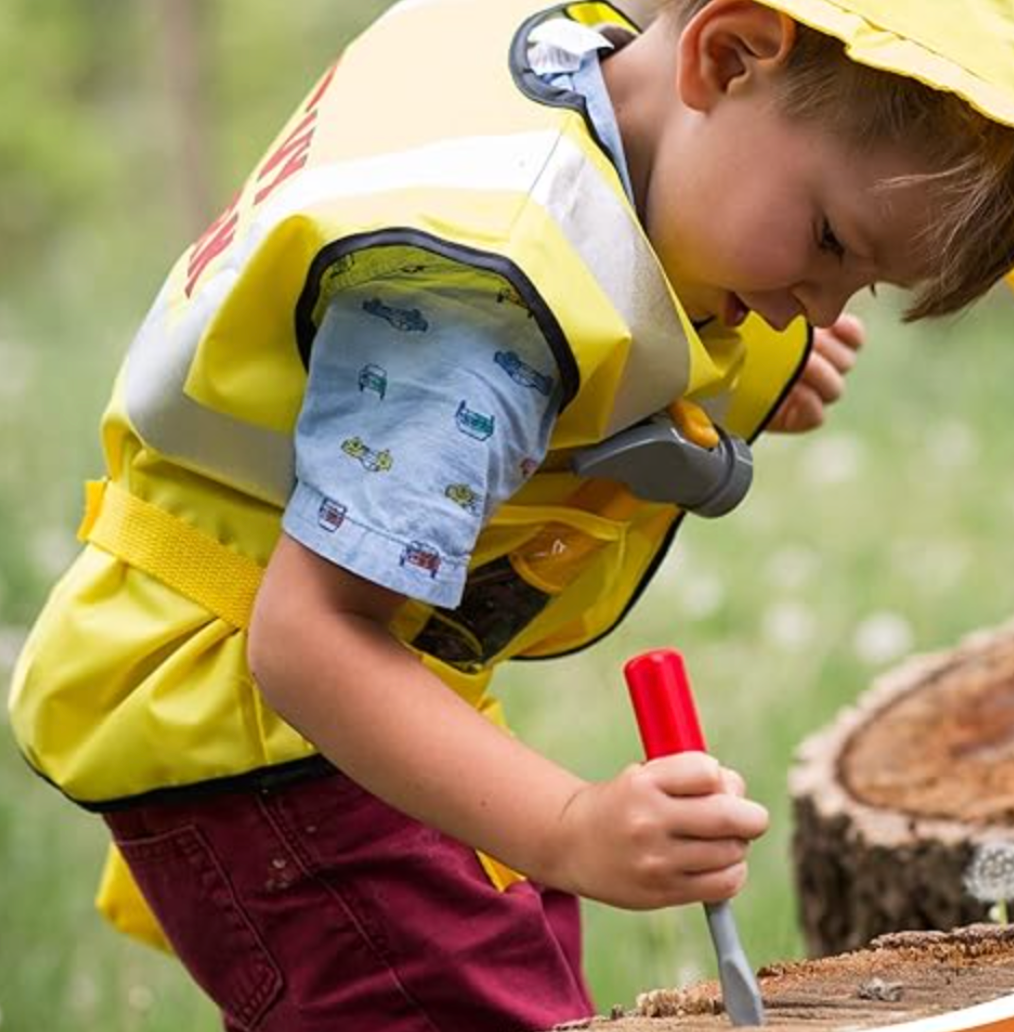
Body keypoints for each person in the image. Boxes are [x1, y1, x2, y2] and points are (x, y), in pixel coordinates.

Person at [9, 0, 1014, 1029]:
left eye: (864, 285)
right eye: (831, 241)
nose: (823, 309)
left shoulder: (587, 67)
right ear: (728, 54)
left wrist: (736, 362)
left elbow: (591, 319)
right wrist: (571, 826)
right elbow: (308, 637)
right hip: (267, 731)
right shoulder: (473, 311)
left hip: (325, 709)